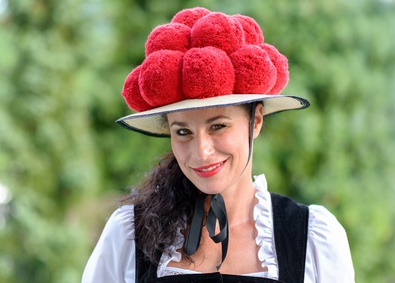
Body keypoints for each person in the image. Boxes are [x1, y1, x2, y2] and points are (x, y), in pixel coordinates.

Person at [82, 7, 355, 283]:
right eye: (183, 131)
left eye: (218, 126)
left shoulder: (310, 237)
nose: (201, 151)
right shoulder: (129, 234)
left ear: (256, 121)